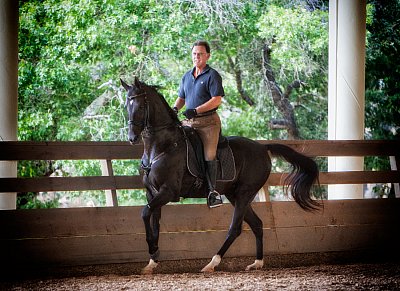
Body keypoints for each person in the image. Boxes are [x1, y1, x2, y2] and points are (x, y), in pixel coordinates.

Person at [173, 40, 224, 208]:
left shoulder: (212, 75)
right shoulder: (186, 76)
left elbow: (217, 99)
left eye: (200, 54)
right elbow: (181, 98)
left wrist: (196, 110)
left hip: (208, 123)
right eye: (194, 54)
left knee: (209, 155)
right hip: (189, 121)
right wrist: (174, 109)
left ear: (207, 56)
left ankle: (212, 192)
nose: (197, 57)